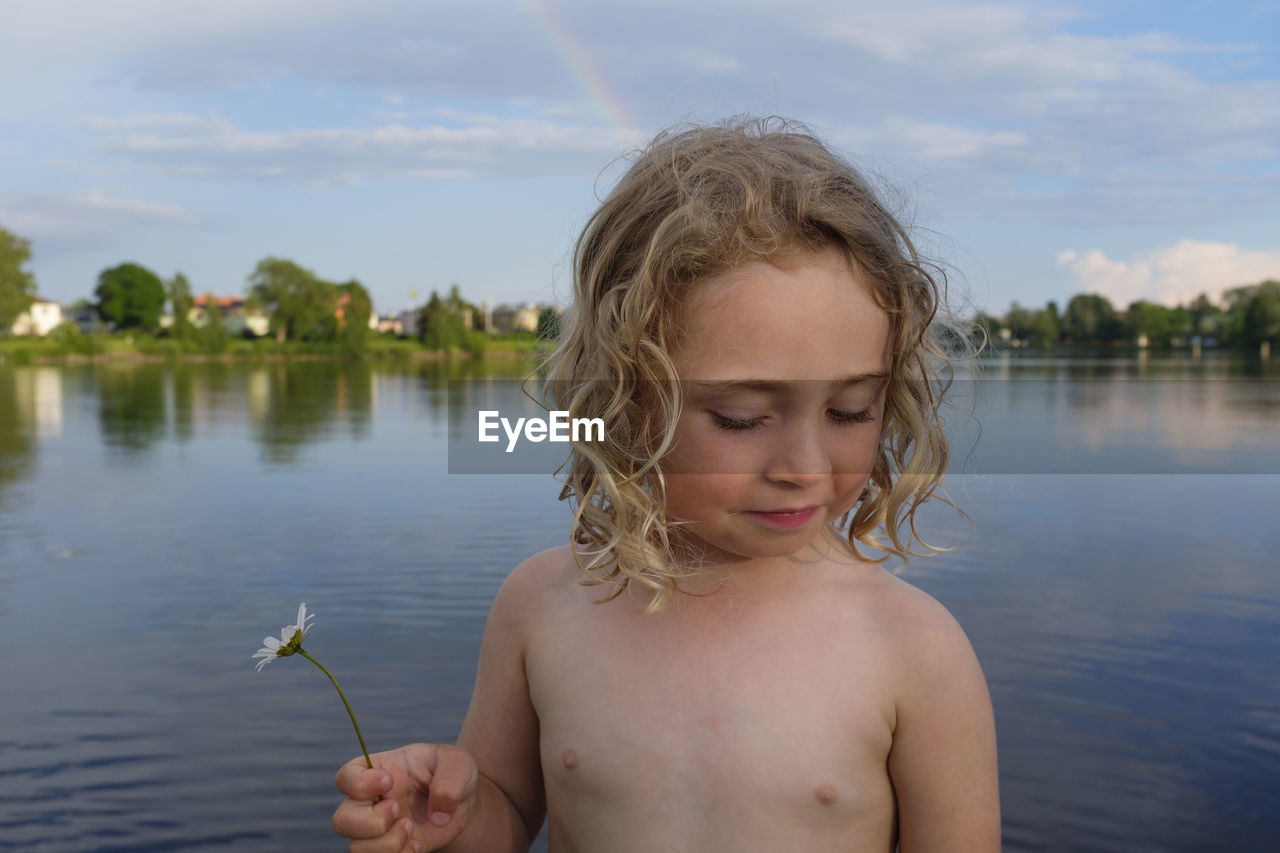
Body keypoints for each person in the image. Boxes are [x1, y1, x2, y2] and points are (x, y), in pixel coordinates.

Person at [332, 117, 1000, 853]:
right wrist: (449, 816)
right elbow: (509, 813)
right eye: (742, 417)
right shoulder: (544, 605)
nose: (806, 465)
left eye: (851, 409)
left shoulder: (915, 649)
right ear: (627, 403)